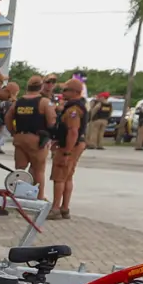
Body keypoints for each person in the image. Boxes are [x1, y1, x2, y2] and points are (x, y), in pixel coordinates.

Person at [5, 74, 55, 201]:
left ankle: (19, 195)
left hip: (20, 138)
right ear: (41, 86)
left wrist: (13, 132)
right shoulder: (43, 102)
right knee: (38, 170)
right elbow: (51, 121)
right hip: (36, 139)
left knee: (20, 169)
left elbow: (8, 117)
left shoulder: (18, 102)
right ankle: (39, 196)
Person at [50, 78, 89, 218]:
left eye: (66, 89)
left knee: (59, 176)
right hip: (74, 144)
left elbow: (73, 131)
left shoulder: (73, 109)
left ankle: (55, 208)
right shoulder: (74, 106)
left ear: (75, 92)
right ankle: (64, 208)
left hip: (70, 146)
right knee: (67, 176)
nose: (63, 92)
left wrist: (66, 152)